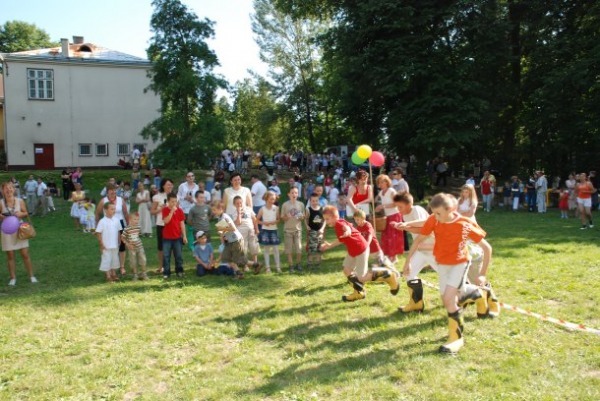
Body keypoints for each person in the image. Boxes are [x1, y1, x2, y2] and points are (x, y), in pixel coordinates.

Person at [402, 193, 492, 354]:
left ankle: (456, 338)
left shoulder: (465, 224)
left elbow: (487, 248)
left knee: (448, 299)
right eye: (434, 213)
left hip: (460, 263)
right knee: (452, 298)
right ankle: (478, 294)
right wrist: (407, 262)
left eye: (438, 213)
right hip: (442, 264)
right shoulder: (434, 219)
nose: (435, 217)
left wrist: (482, 274)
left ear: (451, 209)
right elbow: (418, 240)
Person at [320, 205, 399, 302]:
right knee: (347, 270)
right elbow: (342, 239)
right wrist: (329, 245)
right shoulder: (339, 223)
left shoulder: (340, 224)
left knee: (362, 277)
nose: (326, 222)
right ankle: (358, 292)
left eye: (327, 219)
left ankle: (388, 275)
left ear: (335, 217)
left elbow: (347, 228)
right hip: (353, 250)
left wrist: (348, 232)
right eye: (325, 219)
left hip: (361, 249)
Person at [391, 192, 434, 312]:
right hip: (420, 249)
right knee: (408, 273)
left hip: (433, 249)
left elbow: (425, 227)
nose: (398, 210)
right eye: (397, 207)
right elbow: (415, 230)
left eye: (400, 207)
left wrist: (405, 226)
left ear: (409, 204)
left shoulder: (417, 210)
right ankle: (416, 303)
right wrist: (404, 226)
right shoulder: (405, 215)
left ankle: (474, 294)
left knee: (450, 279)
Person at [0, 181, 37, 286]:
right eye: (6, 188)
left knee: (25, 254)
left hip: (20, 230)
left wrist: (21, 214)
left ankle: (31, 276)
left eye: (10, 188)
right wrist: (2, 216)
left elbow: (26, 213)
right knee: (10, 255)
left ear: (14, 189)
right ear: (3, 190)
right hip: (6, 231)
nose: (8, 190)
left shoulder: (19, 201)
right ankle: (13, 278)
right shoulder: (1, 202)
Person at [96, 184, 130, 276]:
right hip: (108, 226)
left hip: (120, 224)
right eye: (111, 190)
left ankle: (122, 266)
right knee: (109, 245)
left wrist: (128, 226)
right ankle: (109, 268)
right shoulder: (103, 201)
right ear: (107, 192)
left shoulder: (120, 200)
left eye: (114, 190)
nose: (113, 192)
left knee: (122, 246)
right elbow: (97, 213)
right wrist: (97, 226)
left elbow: (126, 213)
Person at [210, 200, 246, 279]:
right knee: (227, 259)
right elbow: (223, 230)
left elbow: (233, 228)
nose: (213, 212)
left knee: (238, 260)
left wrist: (223, 229)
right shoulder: (219, 218)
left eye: (214, 210)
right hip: (231, 241)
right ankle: (239, 273)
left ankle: (254, 265)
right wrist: (221, 232)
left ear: (221, 209)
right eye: (212, 210)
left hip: (236, 240)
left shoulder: (225, 217)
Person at [375, 174, 403, 263]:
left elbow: (396, 203)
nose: (381, 184)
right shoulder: (381, 193)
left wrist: (383, 206)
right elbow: (376, 200)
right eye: (379, 182)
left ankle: (394, 257)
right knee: (386, 236)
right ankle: (388, 256)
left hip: (395, 215)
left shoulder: (391, 191)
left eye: (383, 182)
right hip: (387, 217)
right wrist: (377, 207)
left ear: (387, 182)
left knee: (393, 236)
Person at [231, 195, 261, 273]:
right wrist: (238, 213)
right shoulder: (234, 213)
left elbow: (254, 219)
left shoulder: (248, 209)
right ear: (234, 205)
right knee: (244, 249)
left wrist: (256, 229)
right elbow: (238, 222)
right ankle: (245, 266)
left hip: (251, 231)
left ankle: (255, 264)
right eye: (237, 203)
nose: (239, 205)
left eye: (240, 203)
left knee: (253, 247)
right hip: (241, 233)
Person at [151, 178, 174, 274]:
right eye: (168, 184)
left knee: (172, 246)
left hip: (172, 224)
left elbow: (178, 210)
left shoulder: (175, 196)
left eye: (171, 184)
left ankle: (169, 266)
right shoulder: (157, 197)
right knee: (161, 246)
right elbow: (152, 211)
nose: (170, 186)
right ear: (163, 186)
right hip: (161, 224)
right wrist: (161, 209)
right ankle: (161, 266)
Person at [161, 193, 187, 278]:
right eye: (172, 202)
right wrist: (171, 211)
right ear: (168, 201)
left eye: (175, 201)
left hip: (177, 237)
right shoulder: (165, 210)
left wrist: (184, 236)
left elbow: (182, 224)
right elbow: (166, 221)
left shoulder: (180, 211)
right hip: (167, 238)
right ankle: (166, 272)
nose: (174, 203)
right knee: (166, 256)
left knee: (178, 255)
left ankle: (179, 271)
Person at [280, 186, 305, 273]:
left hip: (297, 230)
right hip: (288, 230)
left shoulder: (301, 204)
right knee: (289, 249)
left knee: (299, 248)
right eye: (292, 193)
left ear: (298, 194)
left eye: (296, 193)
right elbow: (282, 217)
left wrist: (301, 217)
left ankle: (298, 264)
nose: (294, 194)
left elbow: (303, 217)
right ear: (289, 194)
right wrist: (287, 217)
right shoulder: (285, 205)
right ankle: (291, 266)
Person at [95, 203, 121, 283]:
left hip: (115, 244)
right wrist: (101, 244)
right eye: (112, 209)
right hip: (106, 245)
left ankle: (113, 273)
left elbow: (119, 231)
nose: (114, 211)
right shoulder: (102, 221)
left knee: (114, 259)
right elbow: (98, 233)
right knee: (107, 259)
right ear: (105, 210)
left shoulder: (117, 220)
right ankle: (108, 275)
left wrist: (119, 240)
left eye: (114, 209)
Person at [257, 191, 281, 273]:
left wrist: (275, 221)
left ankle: (278, 267)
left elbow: (278, 219)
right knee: (266, 249)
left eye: (274, 199)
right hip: (265, 231)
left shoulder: (276, 208)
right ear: (266, 198)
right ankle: (268, 268)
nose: (272, 201)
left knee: (276, 249)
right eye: (271, 199)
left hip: (274, 230)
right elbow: (257, 220)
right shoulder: (262, 209)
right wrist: (264, 223)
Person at [121, 212, 148, 280]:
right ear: (130, 220)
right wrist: (127, 244)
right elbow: (122, 237)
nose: (136, 221)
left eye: (137, 219)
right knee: (133, 261)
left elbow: (138, 235)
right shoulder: (127, 229)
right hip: (131, 248)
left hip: (139, 246)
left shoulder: (138, 227)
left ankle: (144, 273)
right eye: (135, 219)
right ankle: (135, 275)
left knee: (143, 259)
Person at [305, 192, 326, 269]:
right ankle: (309, 263)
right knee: (311, 248)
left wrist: (322, 229)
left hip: (319, 231)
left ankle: (318, 263)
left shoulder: (322, 209)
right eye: (313, 201)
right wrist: (307, 226)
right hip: (312, 231)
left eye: (316, 201)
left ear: (318, 201)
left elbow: (325, 220)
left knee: (319, 248)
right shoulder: (308, 209)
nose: (314, 202)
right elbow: (305, 219)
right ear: (310, 201)